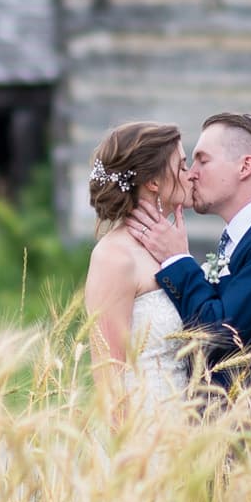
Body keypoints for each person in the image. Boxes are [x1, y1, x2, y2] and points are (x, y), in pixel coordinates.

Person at [127, 111, 251, 400]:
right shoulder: (240, 237)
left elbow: (220, 330)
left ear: (245, 167)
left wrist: (177, 259)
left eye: (203, 160)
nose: (192, 173)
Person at [80, 120, 194, 415]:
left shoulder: (170, 249)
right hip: (145, 433)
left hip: (189, 429)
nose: (191, 174)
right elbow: (108, 375)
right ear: (154, 182)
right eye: (182, 166)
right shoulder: (114, 258)